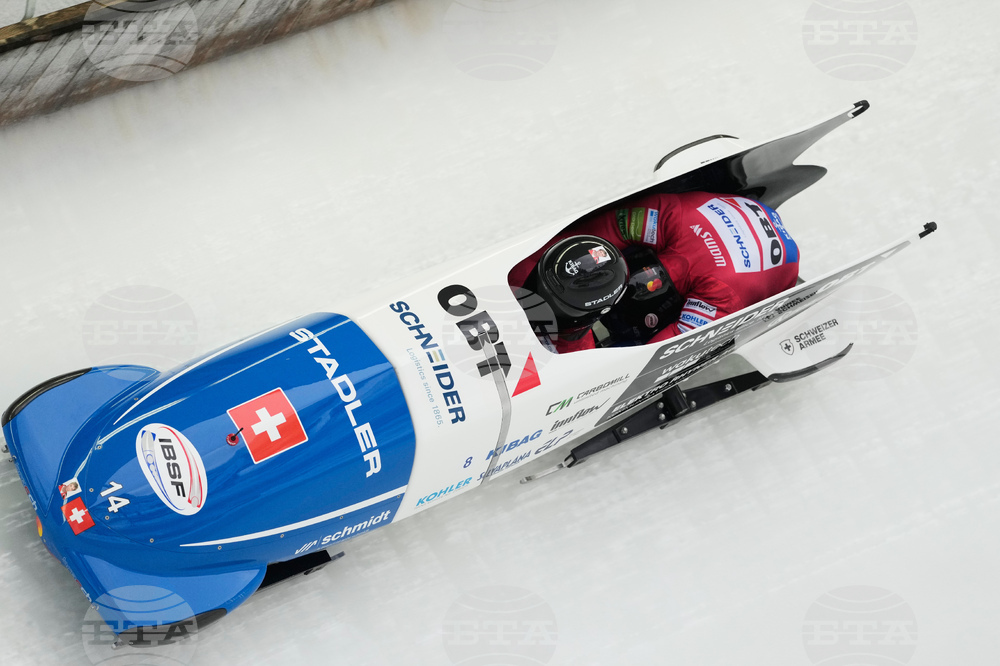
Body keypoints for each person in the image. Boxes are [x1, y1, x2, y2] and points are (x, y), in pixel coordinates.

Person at [508, 191, 800, 353]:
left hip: (761, 275)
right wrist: (519, 277)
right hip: (696, 223)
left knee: (645, 314)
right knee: (604, 258)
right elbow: (586, 236)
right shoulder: (667, 215)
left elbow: (665, 352)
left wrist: (579, 354)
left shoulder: (721, 294)